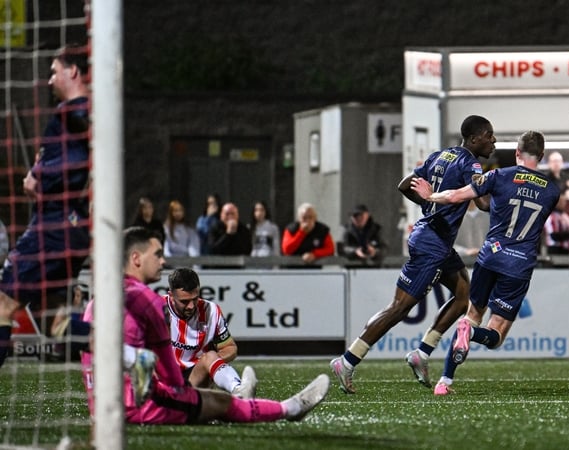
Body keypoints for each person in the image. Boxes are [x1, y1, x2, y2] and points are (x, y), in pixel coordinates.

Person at [79, 226, 329, 424]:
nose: (162, 261)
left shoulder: (101, 298)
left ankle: (247, 393)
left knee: (210, 386)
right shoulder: (149, 302)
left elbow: (88, 350)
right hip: (142, 405)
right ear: (136, 258)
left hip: (102, 405)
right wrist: (181, 390)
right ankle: (291, 408)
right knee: (220, 404)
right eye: (157, 254)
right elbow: (169, 374)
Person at [329, 114, 495, 394]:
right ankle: (347, 360)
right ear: (474, 138)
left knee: (464, 293)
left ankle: (422, 352)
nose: (493, 140)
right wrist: (505, 190)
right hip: (432, 243)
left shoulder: (440, 156)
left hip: (436, 240)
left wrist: (428, 204)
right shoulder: (471, 163)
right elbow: (482, 203)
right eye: (489, 135)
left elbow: (405, 184)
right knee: (399, 308)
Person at [410, 130, 560, 395]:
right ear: (542, 155)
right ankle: (470, 334)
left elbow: (457, 196)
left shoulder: (498, 176)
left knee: (473, 315)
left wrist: (430, 196)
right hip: (519, 263)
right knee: (496, 334)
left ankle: (445, 382)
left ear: (517, 152)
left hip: (490, 255)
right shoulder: (552, 190)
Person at [0, 44, 92, 369]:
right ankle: (135, 352)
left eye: (54, 71)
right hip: (67, 230)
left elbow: (86, 120)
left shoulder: (76, 110)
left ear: (73, 72)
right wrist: (36, 171)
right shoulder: (69, 117)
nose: (50, 80)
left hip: (54, 229)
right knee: (57, 323)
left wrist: (40, 175)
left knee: (2, 304)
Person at [164, 267, 257, 397]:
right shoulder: (155, 309)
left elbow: (230, 348)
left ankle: (240, 392)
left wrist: (210, 364)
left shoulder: (211, 311)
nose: (191, 306)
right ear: (171, 295)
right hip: (163, 380)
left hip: (194, 378)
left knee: (211, 356)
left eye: (195, 299)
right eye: (184, 301)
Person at [543, 190, 569, 255]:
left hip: (566, 249)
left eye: (564, 201)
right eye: (561, 202)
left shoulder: (565, 215)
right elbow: (554, 236)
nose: (564, 203)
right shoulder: (551, 216)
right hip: (556, 248)